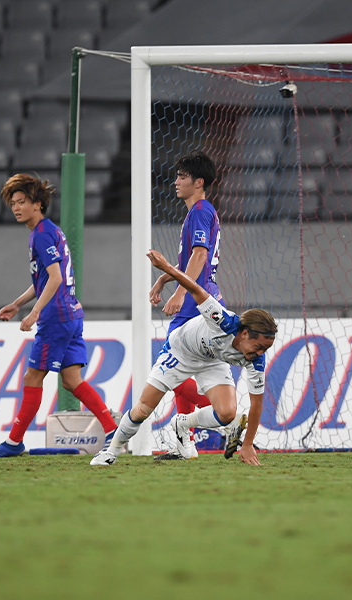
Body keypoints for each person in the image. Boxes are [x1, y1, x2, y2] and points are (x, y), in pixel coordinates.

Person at [90, 249, 276, 467]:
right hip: (180, 351)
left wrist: (248, 445)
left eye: (266, 349)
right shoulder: (222, 320)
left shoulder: (255, 361)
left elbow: (257, 405)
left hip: (212, 360)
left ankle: (183, 423)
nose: (260, 353)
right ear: (244, 333)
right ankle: (110, 451)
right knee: (142, 410)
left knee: (227, 413)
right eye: (259, 346)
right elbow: (195, 288)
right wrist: (165, 271)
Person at [0, 174, 117, 457]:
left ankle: (14, 442)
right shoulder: (48, 230)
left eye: (22, 202)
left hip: (56, 317)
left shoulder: (42, 234)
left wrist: (34, 313)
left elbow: (54, 278)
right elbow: (45, 278)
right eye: (13, 203)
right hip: (71, 313)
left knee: (32, 377)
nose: (16, 208)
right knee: (71, 380)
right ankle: (113, 430)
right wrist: (17, 303)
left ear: (38, 204)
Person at [148, 150, 221, 460]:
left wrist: (180, 291)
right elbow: (191, 259)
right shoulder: (196, 212)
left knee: (172, 368)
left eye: (182, 177)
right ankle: (186, 443)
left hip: (196, 299)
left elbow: (200, 256)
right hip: (201, 295)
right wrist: (165, 280)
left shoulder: (201, 211)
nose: (176, 181)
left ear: (199, 182)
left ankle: (227, 418)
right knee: (179, 370)